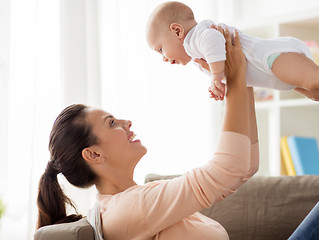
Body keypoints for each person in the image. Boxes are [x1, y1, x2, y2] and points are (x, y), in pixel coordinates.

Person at [36, 28, 260, 240]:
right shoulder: (131, 207)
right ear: (93, 154)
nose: (126, 122)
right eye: (111, 122)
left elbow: (244, 169)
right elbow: (229, 169)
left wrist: (245, 80)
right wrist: (235, 75)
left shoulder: (136, 200)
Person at [145, 1, 319, 115]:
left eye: (160, 49)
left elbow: (213, 40)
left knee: (315, 78)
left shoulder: (197, 36)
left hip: (270, 58)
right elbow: (235, 72)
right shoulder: (198, 57)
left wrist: (217, 75)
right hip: (273, 73)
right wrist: (222, 83)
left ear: (176, 31)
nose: (164, 58)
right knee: (317, 92)